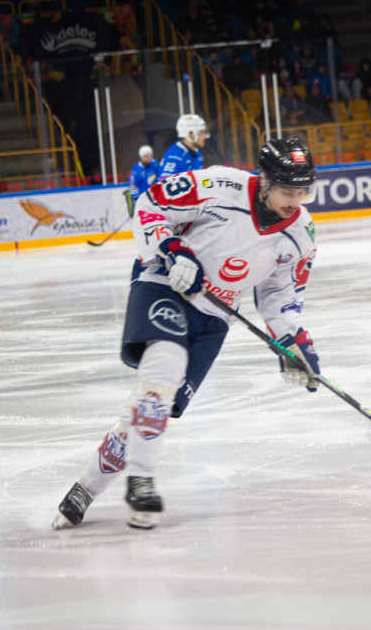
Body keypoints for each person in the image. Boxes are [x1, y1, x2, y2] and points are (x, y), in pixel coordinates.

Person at [52, 138, 320, 531]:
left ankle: (85, 488)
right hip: (165, 284)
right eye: (287, 190)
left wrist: (294, 341)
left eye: (303, 191)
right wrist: (174, 248)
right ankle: (141, 482)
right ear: (264, 180)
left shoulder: (301, 234)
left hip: (216, 316)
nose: (295, 200)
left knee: (154, 404)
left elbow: (280, 296)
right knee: (163, 370)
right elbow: (151, 204)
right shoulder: (220, 186)